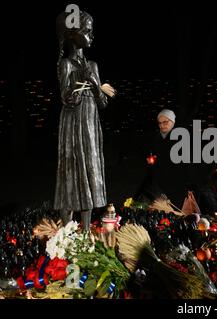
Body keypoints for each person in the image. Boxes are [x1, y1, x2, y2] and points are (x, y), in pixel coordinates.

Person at [54, 10, 115, 231]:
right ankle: (67, 230)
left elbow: (103, 103)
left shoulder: (93, 66)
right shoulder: (66, 65)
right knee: (72, 171)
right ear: (72, 34)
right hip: (73, 123)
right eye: (87, 31)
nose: (91, 35)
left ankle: (87, 230)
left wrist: (94, 84)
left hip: (90, 124)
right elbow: (67, 98)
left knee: (89, 169)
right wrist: (78, 85)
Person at [136, 109, 187, 208]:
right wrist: (151, 160)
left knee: (174, 207)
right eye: (159, 123)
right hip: (157, 177)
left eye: (165, 122)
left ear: (172, 122)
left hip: (175, 180)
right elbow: (151, 152)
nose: (162, 125)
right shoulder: (157, 137)